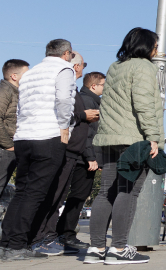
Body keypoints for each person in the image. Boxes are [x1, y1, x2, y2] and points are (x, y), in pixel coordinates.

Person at [86, 28, 164, 265]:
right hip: (134, 140)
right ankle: (118, 249)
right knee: (128, 191)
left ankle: (96, 248)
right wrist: (153, 137)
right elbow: (143, 104)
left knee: (105, 192)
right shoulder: (144, 67)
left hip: (110, 138)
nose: (157, 50)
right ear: (146, 46)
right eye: (155, 45)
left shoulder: (115, 67)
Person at [0, 40, 77, 262]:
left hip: (24, 136)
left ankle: (7, 244)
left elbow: (21, 105)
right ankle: (17, 246)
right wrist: (64, 125)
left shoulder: (32, 72)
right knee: (35, 193)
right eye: (71, 54)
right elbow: (63, 98)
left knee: (22, 191)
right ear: (65, 53)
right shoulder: (64, 68)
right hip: (47, 135)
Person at [29, 53, 101, 255]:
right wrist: (82, 117)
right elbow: (67, 116)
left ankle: (48, 236)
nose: (82, 68)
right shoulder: (76, 94)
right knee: (53, 196)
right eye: (83, 65)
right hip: (67, 150)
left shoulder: (75, 91)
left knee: (58, 196)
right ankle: (43, 238)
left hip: (71, 150)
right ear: (76, 66)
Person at [57, 71, 105, 250]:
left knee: (75, 196)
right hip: (81, 158)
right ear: (94, 86)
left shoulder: (86, 99)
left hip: (81, 156)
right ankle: (65, 234)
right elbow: (86, 133)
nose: (104, 88)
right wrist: (91, 158)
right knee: (77, 196)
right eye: (103, 85)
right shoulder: (88, 101)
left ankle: (62, 233)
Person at [0, 60, 27, 201]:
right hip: (4, 148)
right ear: (14, 76)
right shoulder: (4, 89)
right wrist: (8, 145)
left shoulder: (15, 92)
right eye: (26, 74)